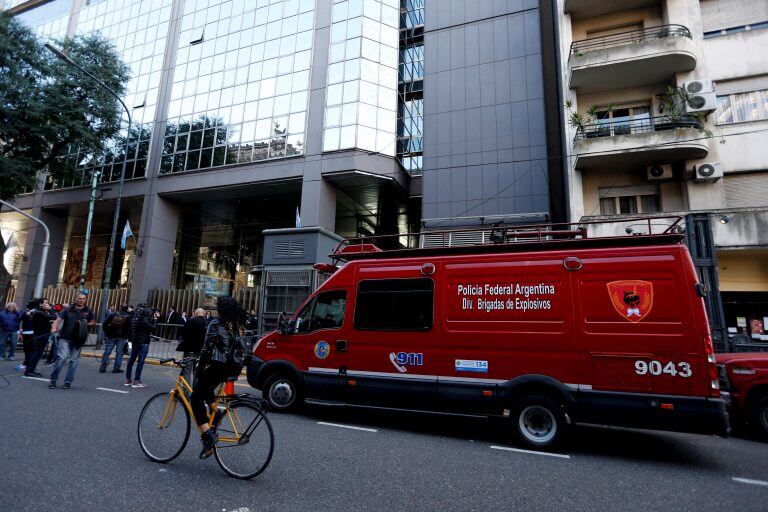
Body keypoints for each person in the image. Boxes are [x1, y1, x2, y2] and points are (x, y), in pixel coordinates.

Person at [190, 296, 247, 459]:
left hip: (219, 365)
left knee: (195, 398)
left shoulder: (216, 324)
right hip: (233, 367)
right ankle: (214, 418)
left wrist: (199, 371)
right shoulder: (238, 325)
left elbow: (207, 350)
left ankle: (207, 435)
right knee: (207, 390)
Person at [49, 292, 96, 389]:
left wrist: (86, 323)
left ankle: (68, 382)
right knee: (62, 358)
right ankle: (53, 380)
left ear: (85, 300)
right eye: (79, 298)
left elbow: (93, 322)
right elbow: (58, 320)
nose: (81, 300)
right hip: (65, 337)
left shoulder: (89, 310)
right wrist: (54, 328)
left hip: (79, 339)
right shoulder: (67, 309)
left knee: (73, 361)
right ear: (76, 299)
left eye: (83, 299)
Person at [125, 304, 158, 388]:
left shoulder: (134, 319)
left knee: (131, 360)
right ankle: (137, 381)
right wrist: (155, 319)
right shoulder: (144, 320)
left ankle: (128, 379)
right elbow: (153, 328)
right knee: (140, 362)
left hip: (135, 342)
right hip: (143, 342)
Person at [23, 298, 56, 377]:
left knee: (36, 353)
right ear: (40, 304)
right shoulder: (39, 312)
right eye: (45, 303)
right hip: (41, 335)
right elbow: (54, 317)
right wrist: (50, 309)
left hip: (41, 334)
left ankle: (31, 369)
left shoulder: (39, 311)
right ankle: (29, 370)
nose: (47, 305)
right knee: (37, 353)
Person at [177, 308, 207, 385]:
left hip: (189, 350)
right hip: (200, 351)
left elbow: (183, 332)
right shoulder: (207, 322)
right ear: (204, 314)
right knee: (197, 372)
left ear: (196, 313)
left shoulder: (190, 321)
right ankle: (195, 392)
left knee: (187, 371)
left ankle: (187, 393)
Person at [99, 304, 131, 373]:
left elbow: (105, 324)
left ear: (120, 308)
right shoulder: (128, 316)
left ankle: (103, 367)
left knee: (107, 351)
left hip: (111, 336)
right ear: (127, 308)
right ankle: (116, 368)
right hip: (122, 337)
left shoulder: (113, 314)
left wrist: (107, 333)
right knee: (119, 353)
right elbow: (130, 328)